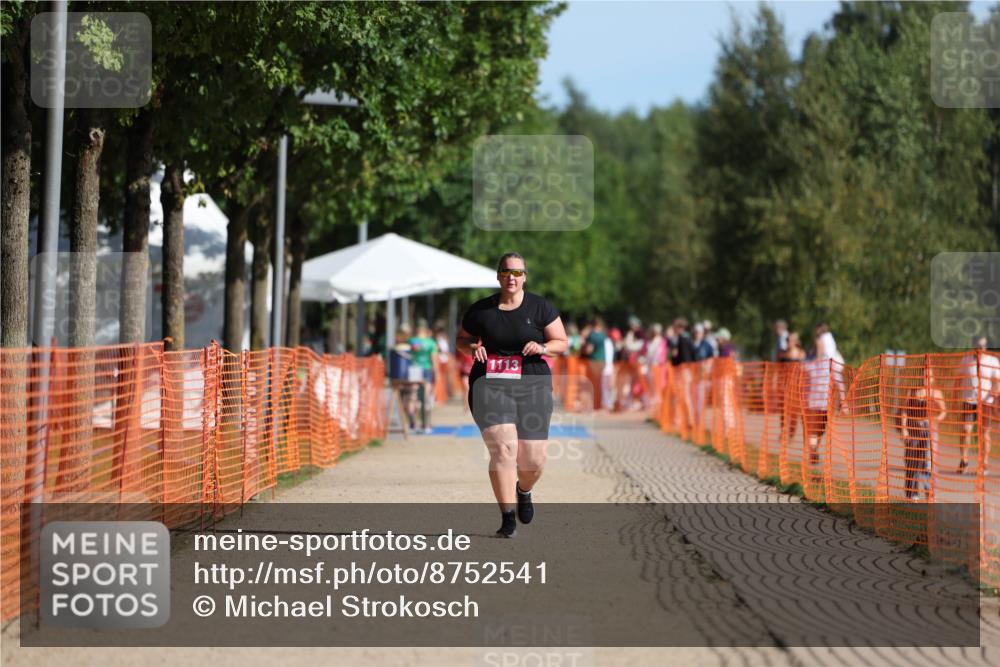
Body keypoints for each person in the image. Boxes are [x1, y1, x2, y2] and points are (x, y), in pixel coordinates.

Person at [456, 253, 568, 538]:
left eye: (517, 273)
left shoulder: (540, 307)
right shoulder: (481, 310)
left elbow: (561, 342)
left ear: (524, 277)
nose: (511, 277)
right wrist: (471, 347)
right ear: (498, 275)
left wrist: (543, 348)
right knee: (504, 450)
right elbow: (461, 339)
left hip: (532, 383)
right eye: (506, 272)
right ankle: (507, 517)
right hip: (490, 384)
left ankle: (524, 490)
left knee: (533, 459)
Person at [895, 381, 945, 500]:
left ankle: (930, 495)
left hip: (929, 434)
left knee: (928, 464)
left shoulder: (936, 393)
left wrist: (935, 420)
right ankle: (912, 494)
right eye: (924, 373)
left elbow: (943, 412)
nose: (926, 378)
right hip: (913, 432)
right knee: (912, 462)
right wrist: (904, 430)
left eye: (929, 375)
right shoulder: (912, 390)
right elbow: (904, 410)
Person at [958, 335, 1000, 475]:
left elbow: (997, 382)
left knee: (985, 433)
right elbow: (958, 380)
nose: (980, 348)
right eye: (978, 345)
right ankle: (964, 460)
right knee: (966, 430)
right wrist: (954, 397)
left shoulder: (993, 361)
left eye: (983, 346)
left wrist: (995, 392)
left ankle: (984, 463)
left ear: (986, 347)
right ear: (973, 346)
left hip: (985, 401)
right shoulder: (966, 359)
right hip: (968, 400)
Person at [583, 317, 609, 410]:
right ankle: (599, 404)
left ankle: (593, 404)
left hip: (594, 361)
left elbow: (589, 350)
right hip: (603, 361)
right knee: (600, 383)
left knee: (592, 383)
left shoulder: (592, 335)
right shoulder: (603, 334)